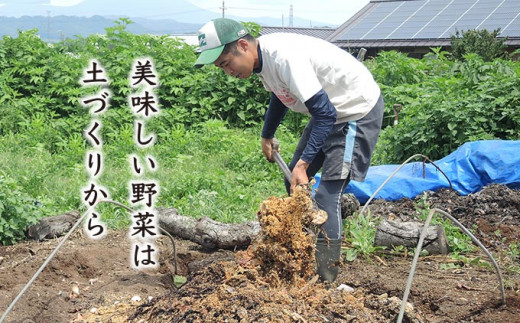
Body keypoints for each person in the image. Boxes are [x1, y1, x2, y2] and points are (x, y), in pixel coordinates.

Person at [194, 18, 384, 283]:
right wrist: (267, 134)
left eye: (226, 63)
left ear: (242, 45)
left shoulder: (284, 58)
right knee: (291, 180)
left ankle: (325, 278)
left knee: (328, 197)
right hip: (327, 113)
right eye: (221, 68)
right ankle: (302, 248)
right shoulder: (262, 61)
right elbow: (279, 94)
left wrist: (304, 164)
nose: (228, 72)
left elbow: (326, 113)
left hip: (354, 111)